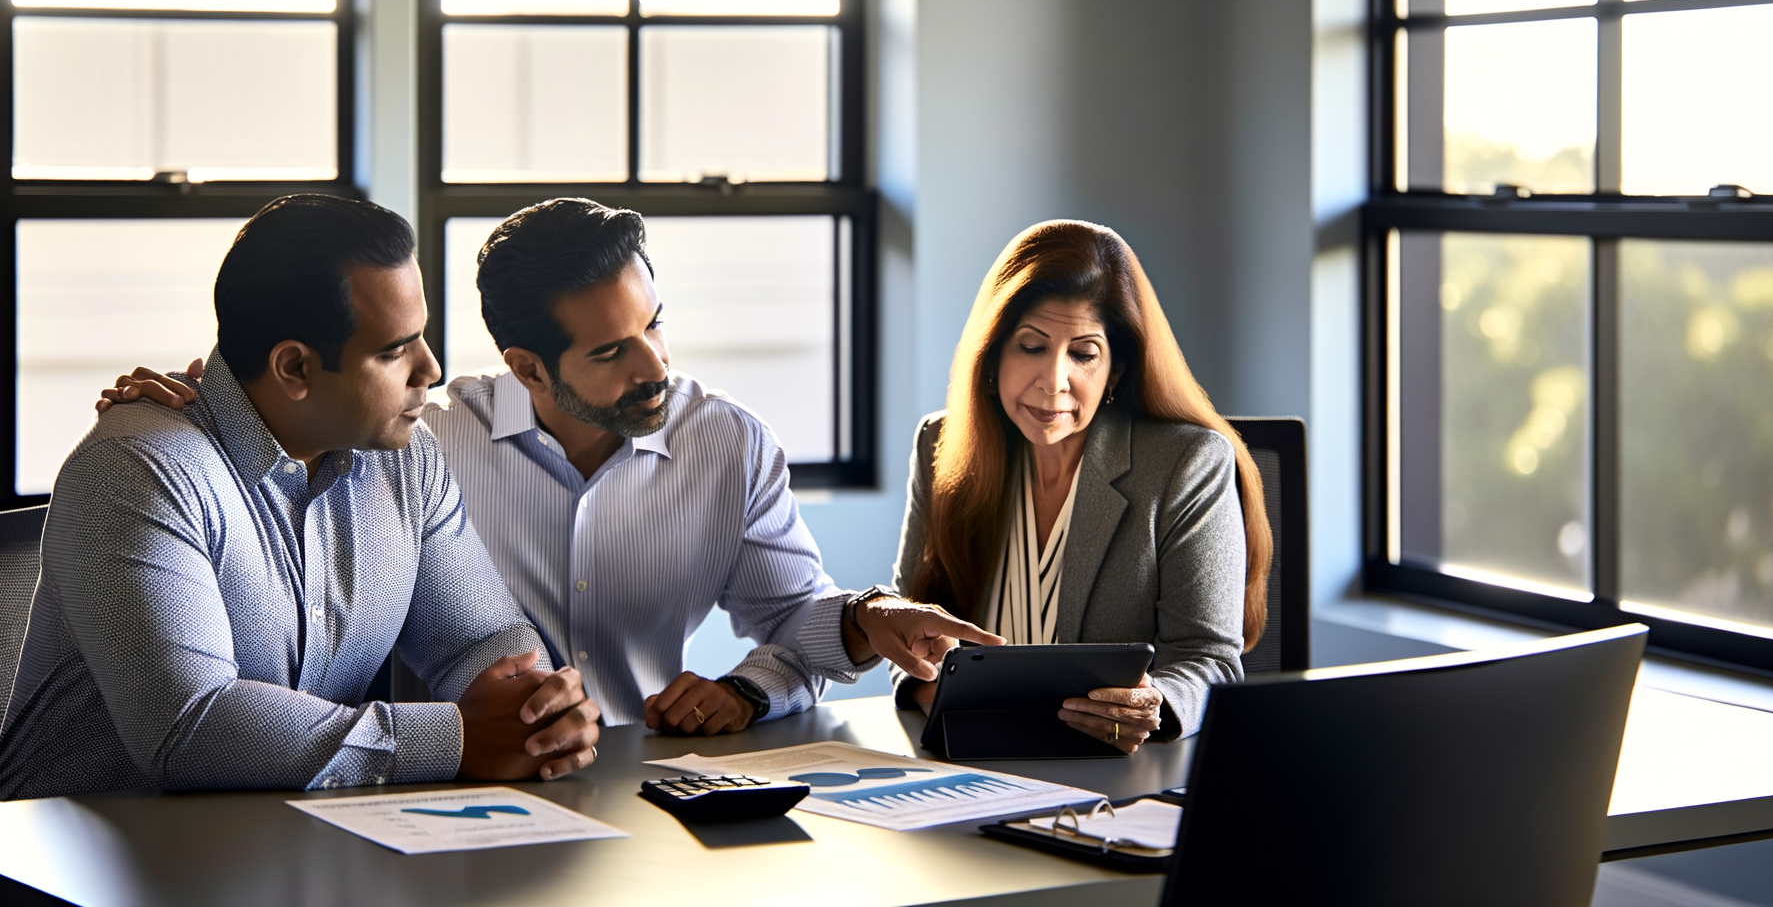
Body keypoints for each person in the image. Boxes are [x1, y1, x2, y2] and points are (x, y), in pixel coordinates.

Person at [100, 197, 1000, 736]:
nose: (654, 366)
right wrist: (205, 400)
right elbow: (293, 402)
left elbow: (795, 618)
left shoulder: (728, 443)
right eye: (611, 352)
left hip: (646, 789)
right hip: (441, 802)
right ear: (528, 367)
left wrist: (795, 660)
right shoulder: (417, 446)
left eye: (654, 325)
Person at [0, 194, 601, 801]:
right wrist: (456, 738)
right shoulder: (140, 467)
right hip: (82, 866)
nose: (432, 369)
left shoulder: (404, 459)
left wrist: (535, 714)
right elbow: (189, 728)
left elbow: (481, 642)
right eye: (394, 351)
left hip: (297, 846)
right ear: (294, 369)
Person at [889, 219, 1273, 753]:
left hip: (1116, 777)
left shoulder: (1187, 463)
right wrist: (926, 685)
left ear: (1114, 371)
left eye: (1084, 354)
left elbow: (1209, 661)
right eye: (1031, 346)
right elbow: (909, 627)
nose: (1053, 381)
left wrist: (1154, 702)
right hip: (964, 766)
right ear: (993, 355)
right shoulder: (941, 445)